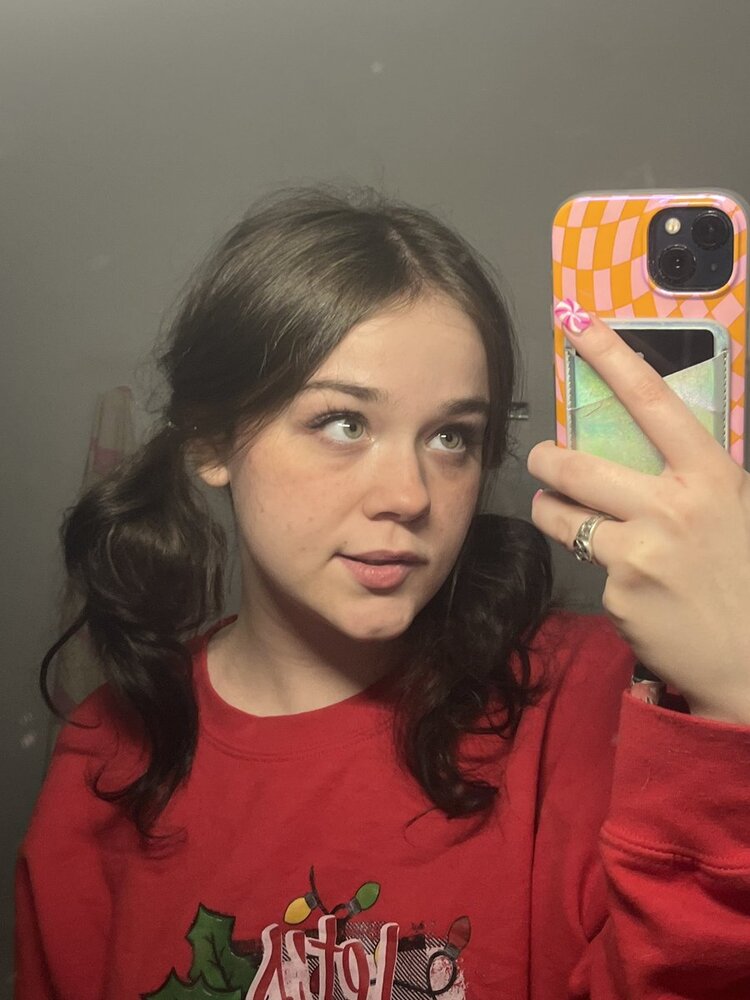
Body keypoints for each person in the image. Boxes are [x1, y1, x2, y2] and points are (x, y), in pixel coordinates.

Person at [14, 188, 750, 1000]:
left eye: (451, 436)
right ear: (212, 440)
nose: (408, 494)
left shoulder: (605, 701)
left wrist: (734, 700)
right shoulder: (107, 757)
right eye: (344, 423)